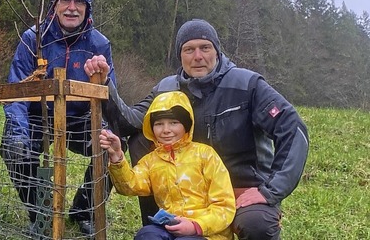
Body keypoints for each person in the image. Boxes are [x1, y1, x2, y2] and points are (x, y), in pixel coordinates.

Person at [85, 18, 309, 240]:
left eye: (205, 48)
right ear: (180, 56)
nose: (198, 56)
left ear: (217, 51)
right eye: (189, 49)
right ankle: (159, 226)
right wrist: (105, 83)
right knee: (140, 138)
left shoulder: (247, 84)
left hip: (241, 190)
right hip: (187, 191)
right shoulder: (166, 89)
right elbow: (129, 122)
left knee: (256, 225)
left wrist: (269, 190)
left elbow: (292, 128)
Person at [0, 0, 115, 237]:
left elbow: (109, 96)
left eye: (79, 2)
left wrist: (107, 127)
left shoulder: (99, 44)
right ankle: (41, 212)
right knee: (12, 146)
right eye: (65, 0)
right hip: (39, 114)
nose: (72, 8)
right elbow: (17, 89)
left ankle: (83, 211)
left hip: (80, 118)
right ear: (54, 4)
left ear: (88, 8)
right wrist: (18, 134)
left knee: (113, 147)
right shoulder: (33, 39)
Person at [100, 91, 235, 240]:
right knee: (146, 235)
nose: (166, 130)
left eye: (174, 123)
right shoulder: (150, 161)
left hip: (208, 233)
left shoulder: (206, 155)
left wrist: (196, 226)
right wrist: (117, 156)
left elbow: (224, 206)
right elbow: (129, 186)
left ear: (186, 125)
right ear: (151, 128)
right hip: (168, 226)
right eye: (159, 124)